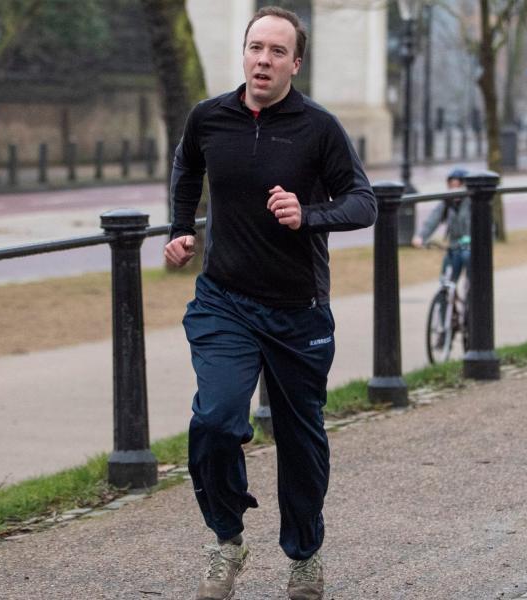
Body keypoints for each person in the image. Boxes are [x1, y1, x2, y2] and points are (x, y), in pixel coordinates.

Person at [163, 6, 376, 600]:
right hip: (225, 300)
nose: (264, 59)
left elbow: (363, 202)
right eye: (256, 48)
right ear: (245, 54)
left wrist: (307, 215)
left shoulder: (319, 128)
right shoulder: (210, 118)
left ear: (295, 63)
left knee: (301, 441)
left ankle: (304, 556)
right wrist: (181, 227)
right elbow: (187, 166)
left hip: (297, 310)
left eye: (277, 51)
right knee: (215, 420)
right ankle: (226, 538)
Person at [411, 167, 471, 283]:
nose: (454, 190)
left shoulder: (473, 203)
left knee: (467, 257)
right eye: (451, 186)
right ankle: (445, 295)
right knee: (446, 273)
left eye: (457, 186)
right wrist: (421, 236)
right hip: (454, 246)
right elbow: (433, 219)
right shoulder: (447, 202)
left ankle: (471, 288)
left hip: (470, 247)